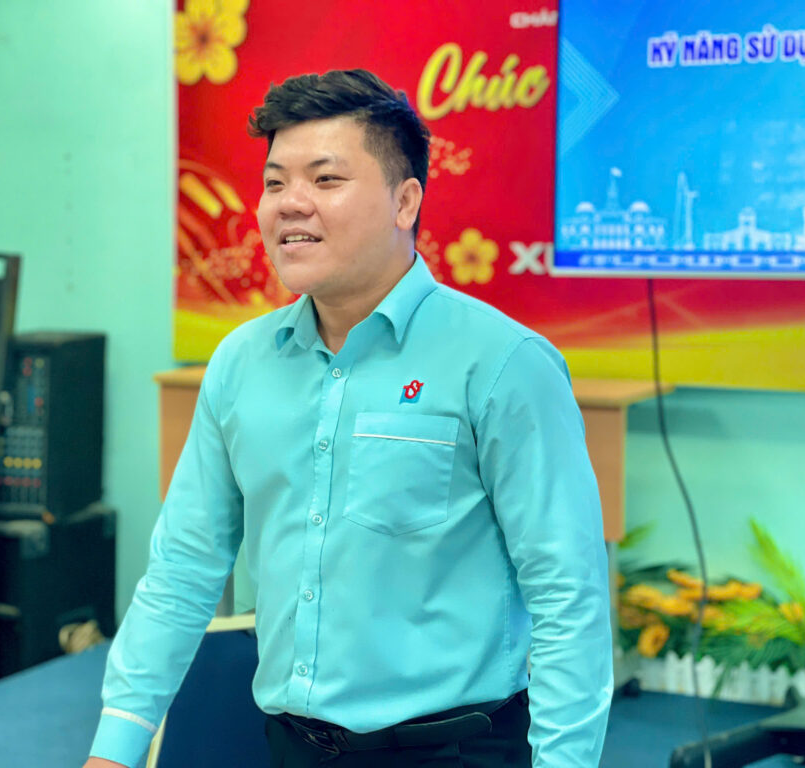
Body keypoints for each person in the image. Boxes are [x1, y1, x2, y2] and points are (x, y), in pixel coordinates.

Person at [85, 68, 612, 768]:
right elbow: (183, 567)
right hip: (291, 746)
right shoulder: (241, 363)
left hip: (453, 752)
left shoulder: (503, 363)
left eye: (325, 180)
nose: (290, 205)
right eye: (275, 183)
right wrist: (116, 746)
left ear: (405, 201)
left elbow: (568, 596)